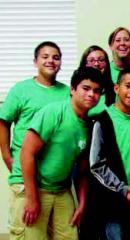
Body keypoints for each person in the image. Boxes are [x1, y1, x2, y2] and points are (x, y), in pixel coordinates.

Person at [13, 67, 103, 239]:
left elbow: (84, 171)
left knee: (70, 235)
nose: (91, 94)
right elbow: (26, 153)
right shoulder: (54, 112)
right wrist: (32, 199)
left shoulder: (90, 126)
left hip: (61, 190)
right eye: (86, 88)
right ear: (72, 89)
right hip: (35, 187)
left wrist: (82, 205)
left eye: (97, 91)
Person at [88, 68, 130, 240]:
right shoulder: (103, 121)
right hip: (116, 205)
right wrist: (122, 189)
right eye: (128, 86)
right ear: (116, 88)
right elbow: (96, 165)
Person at [0, 41, 69, 173]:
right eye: (45, 57)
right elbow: (3, 122)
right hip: (24, 170)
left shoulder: (67, 93)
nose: (51, 61)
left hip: (55, 173)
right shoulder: (21, 89)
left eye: (56, 58)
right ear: (35, 61)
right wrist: (7, 158)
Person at [79, 45, 115, 117]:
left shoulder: (115, 89)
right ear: (84, 64)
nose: (96, 64)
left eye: (101, 60)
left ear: (107, 63)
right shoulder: (77, 89)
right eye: (92, 60)